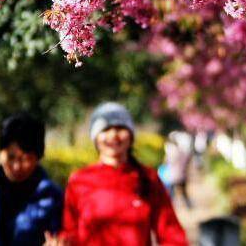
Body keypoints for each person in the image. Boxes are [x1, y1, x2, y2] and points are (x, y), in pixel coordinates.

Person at [49, 102, 187, 246]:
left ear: (131, 135)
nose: (113, 135)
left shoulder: (148, 178)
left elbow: (171, 233)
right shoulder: (79, 180)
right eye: (106, 129)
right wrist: (60, 242)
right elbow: (70, 232)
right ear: (95, 138)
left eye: (120, 128)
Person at [0, 113, 64, 246]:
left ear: (38, 157)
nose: (16, 166)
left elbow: (61, 236)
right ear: (0, 153)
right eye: (10, 157)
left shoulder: (51, 196)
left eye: (25, 159)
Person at [164, 131, 193, 209]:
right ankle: (188, 206)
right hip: (181, 174)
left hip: (173, 175)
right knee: (183, 192)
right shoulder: (182, 151)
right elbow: (188, 159)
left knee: (171, 193)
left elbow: (166, 161)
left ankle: (170, 206)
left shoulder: (170, 151)